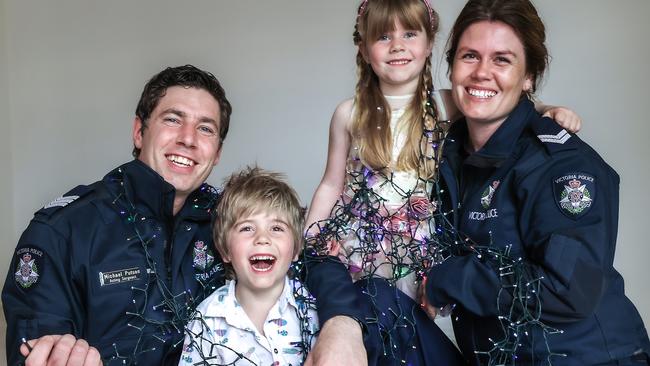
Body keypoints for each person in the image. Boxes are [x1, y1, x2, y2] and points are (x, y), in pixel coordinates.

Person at [2, 65, 366, 366]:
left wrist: (343, 325)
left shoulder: (232, 217)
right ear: (139, 131)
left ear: (218, 152)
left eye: (205, 128)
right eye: (173, 120)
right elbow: (37, 347)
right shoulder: (64, 229)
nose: (189, 139)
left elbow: (311, 256)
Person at [303, 0, 580, 364]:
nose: (397, 45)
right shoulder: (349, 113)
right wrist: (311, 239)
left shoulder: (446, 104)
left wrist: (548, 111)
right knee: (361, 329)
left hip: (419, 249)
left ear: (430, 42)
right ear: (362, 47)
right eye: (383, 36)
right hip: (363, 245)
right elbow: (330, 183)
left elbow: (510, 104)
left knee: (407, 334)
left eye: (410, 34)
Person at [422, 0, 650, 365]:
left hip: (587, 358)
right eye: (469, 56)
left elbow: (569, 290)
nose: (482, 72)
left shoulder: (560, 164)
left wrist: (448, 279)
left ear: (529, 76)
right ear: (451, 67)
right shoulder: (445, 150)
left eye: (502, 60)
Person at [179, 166, 319, 365]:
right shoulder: (207, 319)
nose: (262, 238)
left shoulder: (313, 308)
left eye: (276, 228)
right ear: (225, 250)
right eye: (247, 228)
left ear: (296, 249)